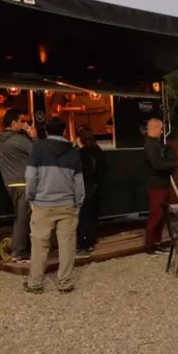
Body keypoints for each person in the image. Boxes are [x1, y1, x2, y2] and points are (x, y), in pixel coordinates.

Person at [24, 116, 85, 294]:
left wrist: (31, 198)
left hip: (42, 205)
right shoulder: (73, 151)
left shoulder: (38, 148)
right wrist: (78, 203)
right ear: (64, 131)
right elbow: (79, 182)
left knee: (39, 245)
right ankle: (65, 282)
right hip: (67, 205)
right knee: (67, 246)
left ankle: (35, 283)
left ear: (47, 131)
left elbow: (30, 177)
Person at [0, 110, 36, 263]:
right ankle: (19, 252)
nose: (24, 124)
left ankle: (20, 249)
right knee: (23, 218)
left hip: (10, 184)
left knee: (20, 217)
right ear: (13, 123)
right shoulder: (21, 140)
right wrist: (33, 136)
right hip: (25, 183)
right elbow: (38, 152)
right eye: (21, 121)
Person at [143, 118, 178, 254]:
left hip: (163, 183)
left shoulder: (157, 144)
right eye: (161, 129)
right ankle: (149, 245)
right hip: (156, 184)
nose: (162, 131)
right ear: (153, 129)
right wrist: (173, 164)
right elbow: (156, 164)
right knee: (156, 214)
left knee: (162, 214)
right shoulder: (150, 146)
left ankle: (156, 242)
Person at [75, 126, 107, 257]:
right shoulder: (97, 150)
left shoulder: (81, 153)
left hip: (85, 188)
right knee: (92, 217)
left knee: (83, 217)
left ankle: (83, 244)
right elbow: (104, 169)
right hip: (96, 187)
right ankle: (90, 241)